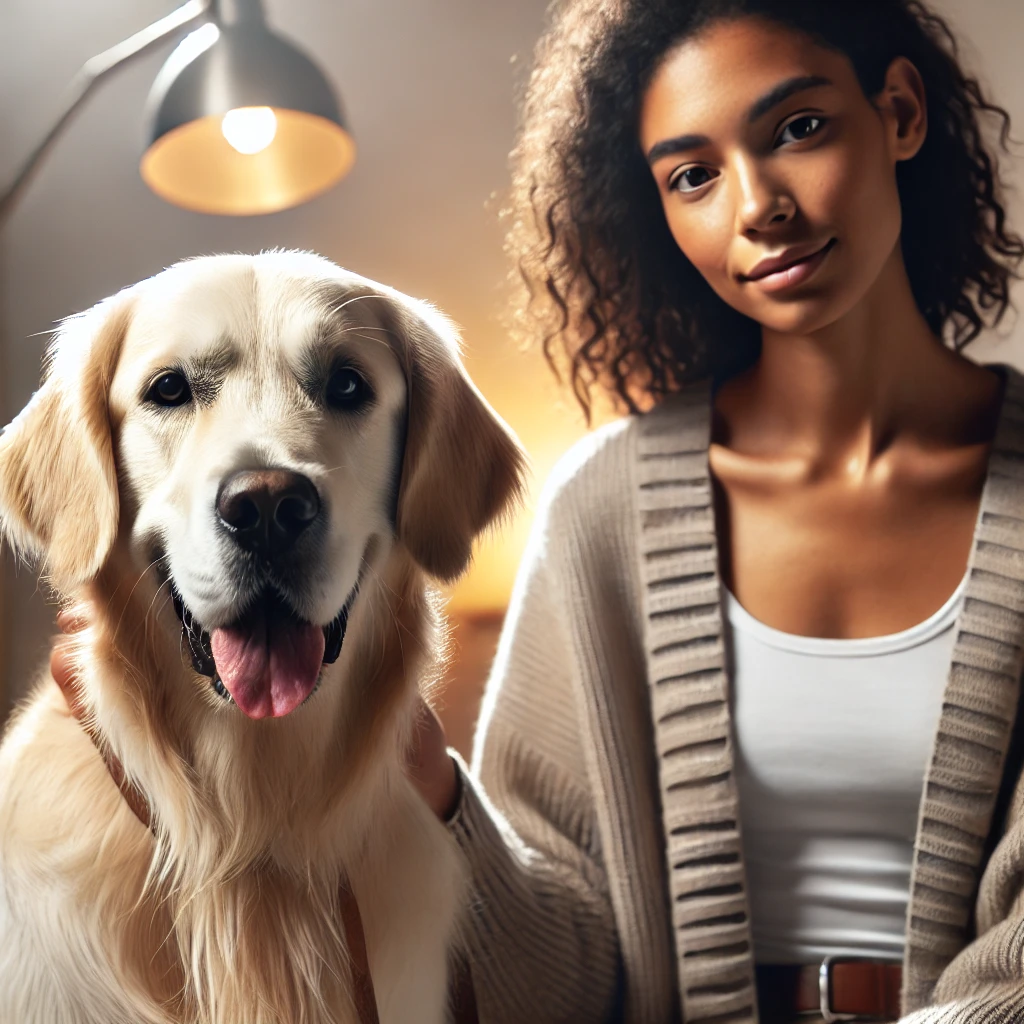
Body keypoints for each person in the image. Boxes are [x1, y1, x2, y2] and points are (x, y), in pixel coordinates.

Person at [51, 1, 1024, 1022]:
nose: (756, 204)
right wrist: (430, 788)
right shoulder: (602, 512)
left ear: (900, 112)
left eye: (798, 129)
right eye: (691, 174)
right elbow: (562, 972)